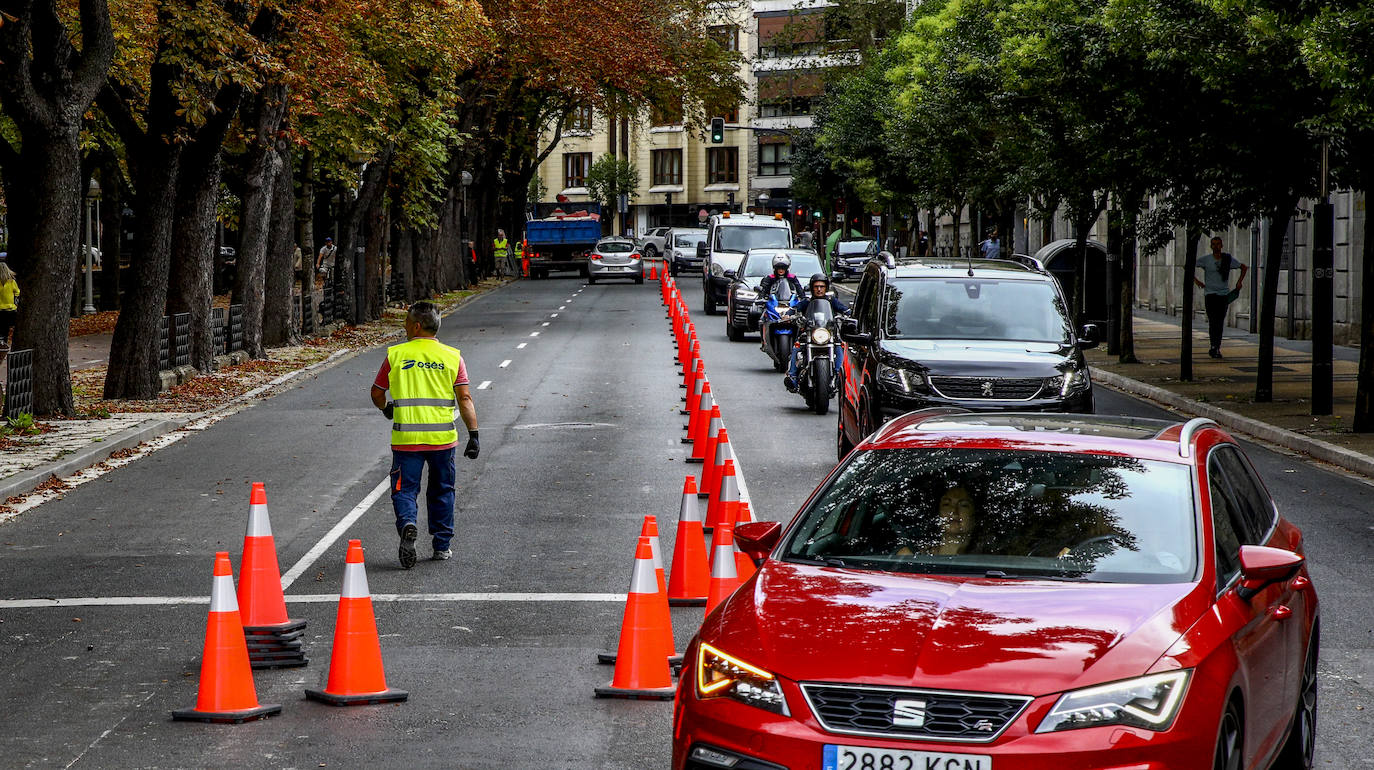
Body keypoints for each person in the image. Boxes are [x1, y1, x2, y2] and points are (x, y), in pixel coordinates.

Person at [370, 301, 480, 569]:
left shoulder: (396, 355)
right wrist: (474, 434)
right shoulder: (453, 357)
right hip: (442, 441)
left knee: (404, 490)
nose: (404, 326)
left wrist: (387, 409)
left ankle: (408, 522)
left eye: (407, 322)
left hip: (407, 441)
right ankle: (442, 546)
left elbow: (376, 392)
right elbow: (464, 397)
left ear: (417, 326)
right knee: (442, 490)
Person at [784, 273, 850, 392]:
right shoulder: (807, 301)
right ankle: (793, 376)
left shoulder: (831, 301)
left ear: (826, 287)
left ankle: (839, 376)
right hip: (810, 333)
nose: (819, 289)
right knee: (796, 347)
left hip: (827, 334)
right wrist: (788, 315)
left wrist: (850, 314)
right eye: (816, 286)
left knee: (840, 347)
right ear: (812, 287)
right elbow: (795, 309)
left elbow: (845, 309)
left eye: (822, 286)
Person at [1194, 237, 1248, 359]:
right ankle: (1214, 346)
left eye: (1218, 244)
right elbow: (1188, 265)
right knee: (1213, 321)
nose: (1216, 246)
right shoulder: (1206, 260)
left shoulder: (1227, 259)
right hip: (1210, 295)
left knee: (1219, 322)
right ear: (1210, 246)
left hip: (1223, 295)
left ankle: (1216, 346)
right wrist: (1197, 281)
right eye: (1213, 244)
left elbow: (1243, 267)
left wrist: (1239, 282)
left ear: (1222, 245)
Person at [893, 485, 978, 556]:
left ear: (975, 515)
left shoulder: (988, 560)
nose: (953, 511)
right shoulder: (911, 556)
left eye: (963, 505)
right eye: (946, 504)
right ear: (938, 513)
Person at [0, 258, 18, 349]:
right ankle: (4, 345)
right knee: (6, 329)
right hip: (10, 309)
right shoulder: (11, 281)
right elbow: (17, 293)